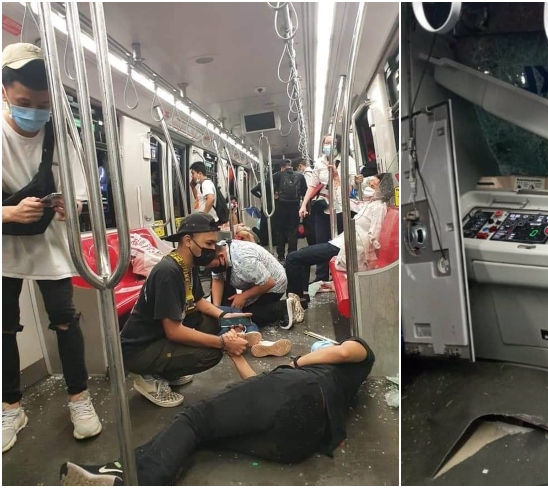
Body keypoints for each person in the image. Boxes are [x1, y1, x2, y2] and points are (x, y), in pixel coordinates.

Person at [59, 337, 375, 486]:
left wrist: (296, 361)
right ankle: (120, 472)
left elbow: (346, 350)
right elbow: (257, 391)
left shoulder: (356, 354)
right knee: (206, 435)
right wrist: (233, 353)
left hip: (296, 390)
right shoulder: (341, 382)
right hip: (296, 443)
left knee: (194, 420)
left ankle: (144, 476)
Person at [2, 43, 102, 453]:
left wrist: (70, 206)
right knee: (3, 329)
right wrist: (7, 213)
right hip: (4, 248)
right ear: (5, 90)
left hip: (53, 247)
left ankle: (79, 398)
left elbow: (82, 194)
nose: (34, 112)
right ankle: (10, 406)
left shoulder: (62, 131)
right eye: (24, 102)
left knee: (65, 320)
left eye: (42, 104)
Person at [119, 213, 250, 408]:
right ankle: (148, 378)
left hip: (160, 335)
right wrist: (222, 343)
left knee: (213, 322)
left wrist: (225, 316)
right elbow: (173, 331)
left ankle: (169, 371)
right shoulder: (168, 272)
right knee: (211, 354)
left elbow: (198, 302)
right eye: (209, 243)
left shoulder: (188, 264)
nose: (213, 249)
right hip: (140, 349)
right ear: (188, 241)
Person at [286, 173, 391, 306]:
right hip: (341, 243)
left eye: (373, 185)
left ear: (382, 188)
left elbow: (374, 234)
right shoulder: (368, 204)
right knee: (302, 256)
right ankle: (302, 297)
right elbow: (343, 201)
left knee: (292, 258)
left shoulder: (379, 207)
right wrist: (336, 178)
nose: (369, 186)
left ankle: (294, 303)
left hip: (347, 247)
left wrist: (367, 259)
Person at [298, 134, 362, 283]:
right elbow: (312, 186)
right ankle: (321, 277)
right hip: (323, 207)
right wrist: (303, 204)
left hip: (342, 208)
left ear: (337, 144)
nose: (327, 146)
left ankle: (340, 273)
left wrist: (352, 179)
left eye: (331, 143)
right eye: (325, 143)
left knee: (340, 242)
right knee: (321, 241)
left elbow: (352, 182)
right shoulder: (319, 163)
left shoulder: (347, 161)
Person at [207, 238, 304, 332]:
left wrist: (244, 296)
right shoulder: (218, 249)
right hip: (254, 280)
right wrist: (217, 310)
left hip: (273, 285)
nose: (214, 270)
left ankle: (282, 308)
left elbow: (269, 283)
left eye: (214, 266)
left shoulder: (243, 260)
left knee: (245, 316)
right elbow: (217, 278)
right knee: (231, 313)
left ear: (221, 257)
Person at [272, 159, 306, 262]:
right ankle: (292, 255)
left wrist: (276, 195)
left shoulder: (277, 175)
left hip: (281, 206)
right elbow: (304, 191)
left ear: (282, 167)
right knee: (293, 232)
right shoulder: (300, 176)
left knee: (280, 232)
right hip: (295, 206)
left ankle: (281, 256)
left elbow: (269, 187)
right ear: (290, 166)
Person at [298, 160, 316, 246]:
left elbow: (309, 189)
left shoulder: (307, 174)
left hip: (309, 203)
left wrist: (304, 204)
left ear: (301, 165)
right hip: (311, 202)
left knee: (309, 225)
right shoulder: (312, 172)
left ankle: (312, 245)